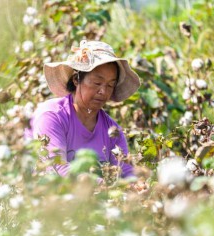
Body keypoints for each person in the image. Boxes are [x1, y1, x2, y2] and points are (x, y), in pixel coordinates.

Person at [28, 40, 140, 179]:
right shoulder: (52, 116)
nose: (103, 91)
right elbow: (57, 169)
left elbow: (126, 172)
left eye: (110, 85)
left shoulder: (112, 131)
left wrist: (137, 186)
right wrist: (106, 188)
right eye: (97, 83)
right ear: (76, 79)